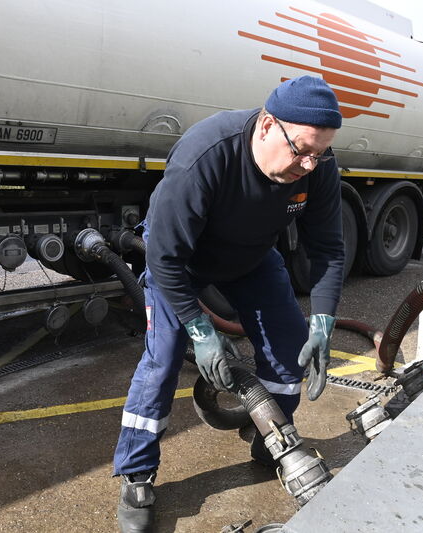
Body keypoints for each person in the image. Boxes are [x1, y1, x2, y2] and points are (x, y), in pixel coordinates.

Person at [113, 76, 345, 532]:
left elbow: (329, 250)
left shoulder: (317, 167)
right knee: (161, 362)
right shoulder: (206, 156)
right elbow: (163, 257)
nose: (308, 163)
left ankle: (271, 437)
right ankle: (136, 473)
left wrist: (322, 320)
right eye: (300, 149)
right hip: (179, 264)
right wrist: (201, 332)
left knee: (289, 344)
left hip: (251, 259)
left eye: (319, 152)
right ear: (265, 126)